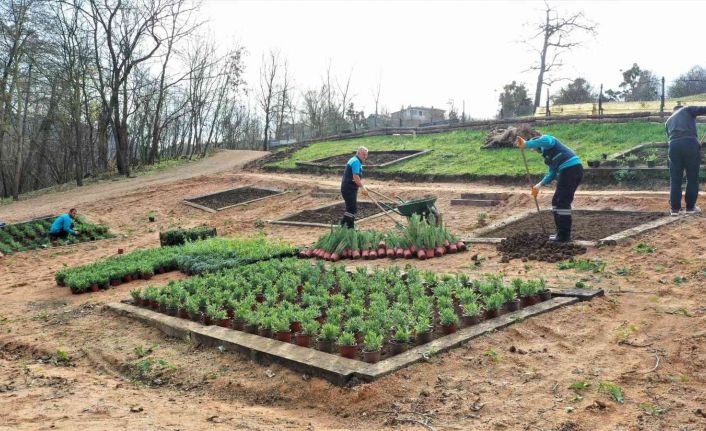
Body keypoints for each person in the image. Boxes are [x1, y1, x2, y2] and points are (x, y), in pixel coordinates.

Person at [517, 132, 583, 242]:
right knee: (556, 202)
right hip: (567, 171)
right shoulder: (548, 157)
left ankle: (564, 235)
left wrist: (527, 144)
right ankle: (560, 233)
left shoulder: (548, 141)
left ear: (537, 143)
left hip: (571, 169)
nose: (537, 151)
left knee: (562, 202)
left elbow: (546, 140)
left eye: (535, 147)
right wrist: (538, 185)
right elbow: (552, 173)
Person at [665, 105, 706, 215]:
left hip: (673, 146)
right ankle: (690, 207)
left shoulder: (668, 121)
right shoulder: (687, 109)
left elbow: (670, 138)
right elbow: (703, 109)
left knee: (675, 178)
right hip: (689, 144)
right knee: (692, 177)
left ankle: (674, 209)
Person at [340, 146, 369, 228]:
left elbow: (359, 177)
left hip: (350, 188)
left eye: (366, 155)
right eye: (363, 154)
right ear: (358, 153)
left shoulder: (357, 161)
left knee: (352, 208)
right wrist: (362, 187)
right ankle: (344, 226)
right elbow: (355, 177)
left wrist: (362, 184)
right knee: (351, 209)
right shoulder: (356, 162)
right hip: (348, 188)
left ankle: (349, 227)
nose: (365, 157)